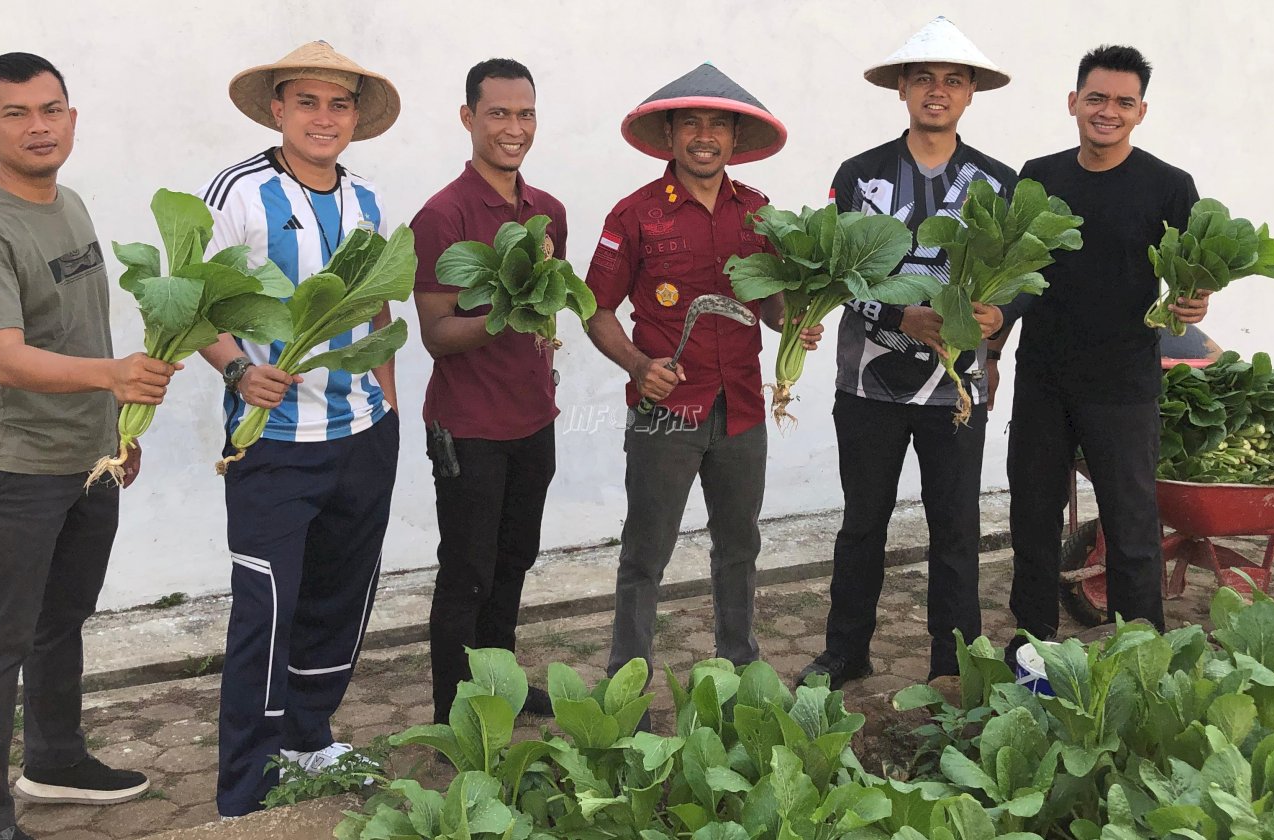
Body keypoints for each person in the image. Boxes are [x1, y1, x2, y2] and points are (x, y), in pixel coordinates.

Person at [0, 52, 166, 840]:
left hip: (84, 463)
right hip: (12, 473)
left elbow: (80, 328)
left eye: (52, 109)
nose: (39, 127)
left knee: (60, 622)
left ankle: (56, 760)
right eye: (17, 114)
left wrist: (112, 433)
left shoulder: (67, 205)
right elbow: (3, 356)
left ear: (71, 116)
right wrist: (113, 376)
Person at [194, 41, 403, 818]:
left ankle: (310, 737)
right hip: (272, 443)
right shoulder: (239, 192)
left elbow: (381, 307)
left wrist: (388, 404)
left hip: (360, 437)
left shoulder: (369, 202)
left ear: (354, 117)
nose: (324, 118)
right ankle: (244, 791)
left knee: (341, 598)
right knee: (266, 611)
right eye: (306, 102)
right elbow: (197, 303)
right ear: (277, 110)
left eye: (338, 104)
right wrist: (235, 371)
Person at [801, 17, 1021, 687]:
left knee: (954, 529)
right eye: (924, 78)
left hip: (957, 393)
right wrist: (902, 314)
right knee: (862, 523)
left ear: (971, 93)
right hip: (868, 384)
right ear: (902, 87)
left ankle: (953, 662)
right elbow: (837, 274)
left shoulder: (999, 182)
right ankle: (845, 652)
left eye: (953, 80)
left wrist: (1000, 314)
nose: (937, 91)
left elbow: (1026, 277)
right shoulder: (859, 175)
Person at [583, 63, 820, 683]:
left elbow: (771, 302)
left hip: (742, 404)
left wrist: (795, 322)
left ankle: (739, 667)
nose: (705, 136)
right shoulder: (633, 215)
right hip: (666, 410)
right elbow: (595, 310)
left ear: (736, 141)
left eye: (718, 124)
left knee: (739, 546)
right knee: (645, 552)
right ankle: (627, 680)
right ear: (670, 136)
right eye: (692, 123)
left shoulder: (761, 213)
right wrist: (637, 365)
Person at [992, 45, 1210, 651]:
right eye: (1096, 98)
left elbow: (1194, 273)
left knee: (1132, 527)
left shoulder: (1169, 187)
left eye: (1122, 101)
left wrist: (1195, 299)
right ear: (1073, 103)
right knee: (1032, 519)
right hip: (1043, 378)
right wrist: (988, 354)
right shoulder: (1039, 175)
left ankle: (1140, 650)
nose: (1107, 111)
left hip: (1122, 384)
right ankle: (1031, 645)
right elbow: (1014, 277)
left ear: (1141, 112)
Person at [411, 58, 563, 725]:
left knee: (513, 560)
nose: (513, 127)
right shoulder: (442, 214)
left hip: (534, 419)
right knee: (467, 572)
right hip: (469, 427)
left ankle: (498, 683)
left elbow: (550, 309)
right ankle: (454, 713)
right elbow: (438, 334)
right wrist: (506, 305)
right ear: (468, 118)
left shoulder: (548, 212)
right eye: (498, 113)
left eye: (524, 113)